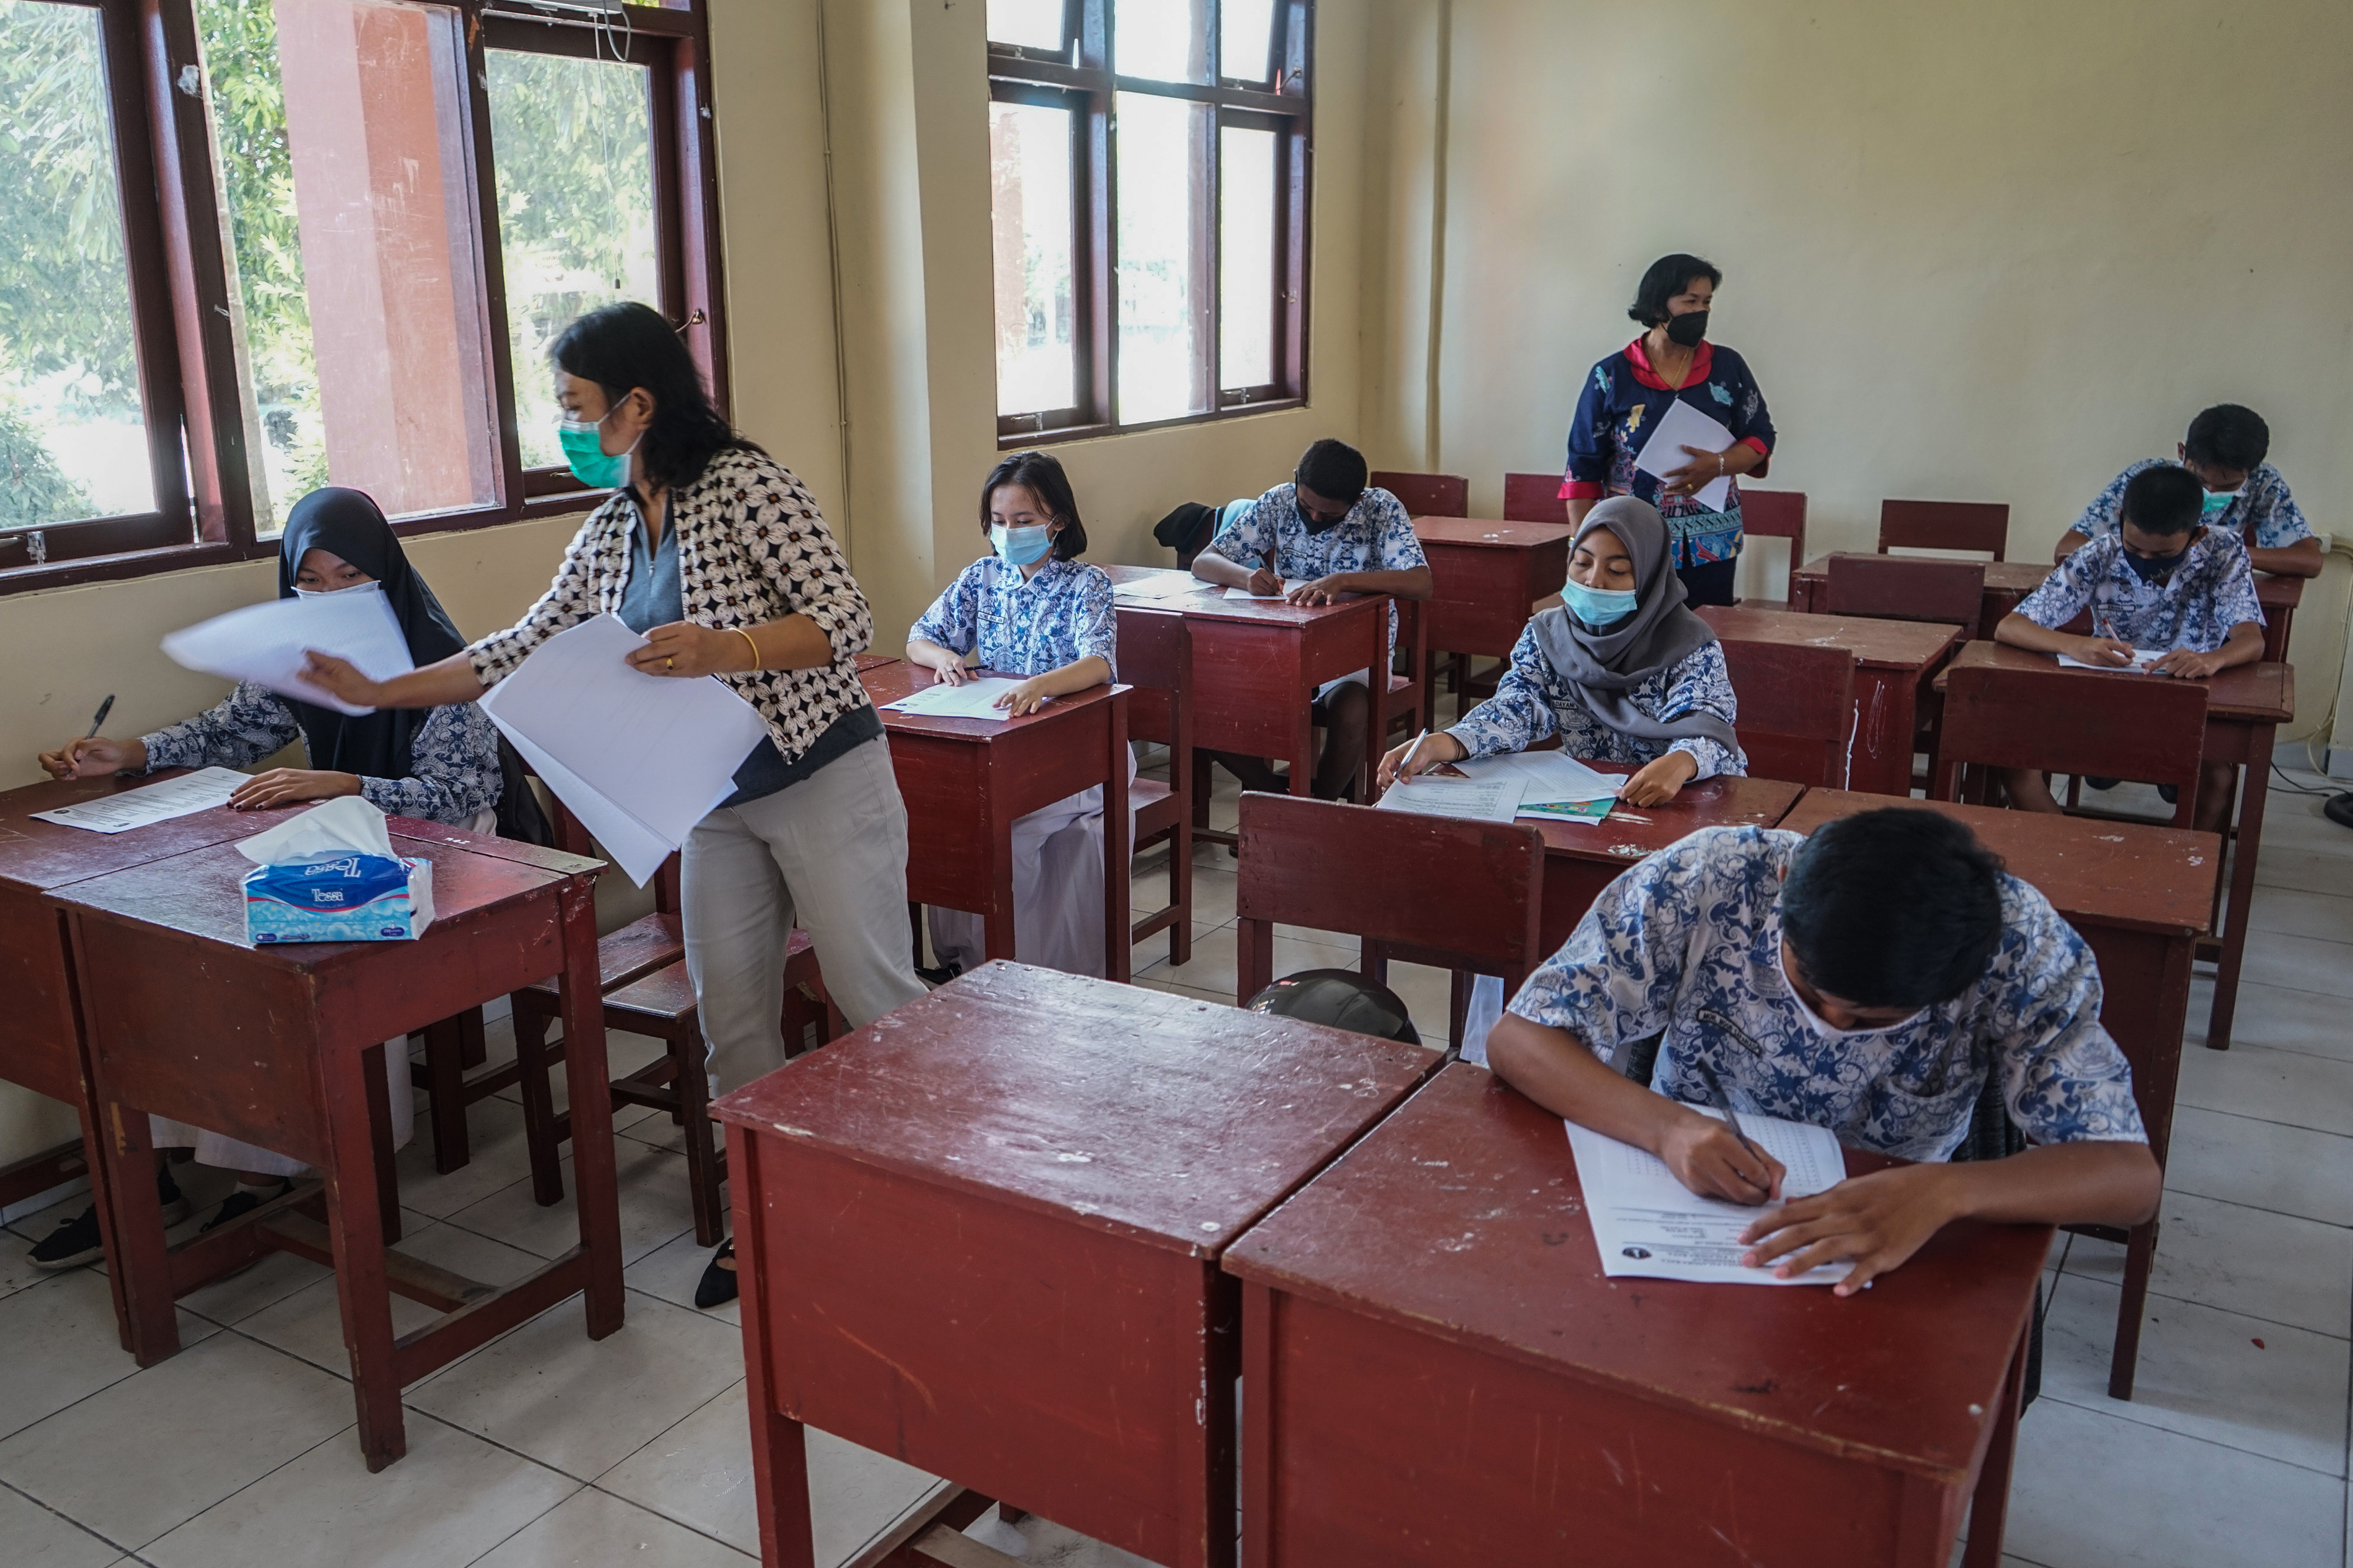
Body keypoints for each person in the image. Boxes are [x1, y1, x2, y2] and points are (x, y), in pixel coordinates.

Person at [298, 301, 926, 1308]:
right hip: (712, 800)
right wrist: (381, 689)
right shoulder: (605, 532)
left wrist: (734, 648)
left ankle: (935, 1203)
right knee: (733, 1015)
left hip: (819, 773)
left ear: (638, 403)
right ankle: (767, 1216)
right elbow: (517, 645)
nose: (566, 429)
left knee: (870, 992)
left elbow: (846, 614)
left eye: (576, 407)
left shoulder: (745, 484)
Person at [27, 488, 496, 1264]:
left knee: (294, 955)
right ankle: (164, 1164)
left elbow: (459, 798)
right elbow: (233, 729)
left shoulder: (440, 660)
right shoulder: (302, 661)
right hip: (344, 834)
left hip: (453, 852)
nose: (330, 595)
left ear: (385, 569)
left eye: (351, 575)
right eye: (309, 580)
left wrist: (345, 783)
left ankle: (271, 1170)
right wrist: (132, 752)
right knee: (192, 939)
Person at [1485, 810, 2161, 1296]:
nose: (1832, 1021)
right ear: (1782, 884)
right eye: (1809, 988)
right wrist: (1667, 1127)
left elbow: (2129, 1179)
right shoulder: (1713, 878)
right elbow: (1519, 1037)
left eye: (1869, 1018)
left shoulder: (2021, 949)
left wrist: (1949, 1189)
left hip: (1888, 1215)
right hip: (1681, 1186)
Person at [1377, 495, 1746, 1060]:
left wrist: (1683, 760)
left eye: (1618, 569)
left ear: (1648, 574)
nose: (1595, 580)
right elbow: (1521, 705)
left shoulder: (1689, 643)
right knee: (1519, 900)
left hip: (1671, 825)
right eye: (1583, 562)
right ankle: (1516, 1049)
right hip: (1583, 813)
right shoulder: (1549, 633)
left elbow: (1712, 724)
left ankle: (1635, 1066)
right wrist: (1449, 742)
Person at [907, 451, 1122, 978]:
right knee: (950, 822)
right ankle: (959, 962)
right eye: (998, 522)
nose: (1009, 533)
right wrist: (946, 658)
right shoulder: (982, 576)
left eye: (1024, 521)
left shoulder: (1085, 584)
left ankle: (999, 968)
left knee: (1000, 835)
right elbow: (919, 638)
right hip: (999, 744)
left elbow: (1100, 662)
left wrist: (1040, 686)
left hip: (1074, 753)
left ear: (1059, 521)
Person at [1996, 464, 2263, 832]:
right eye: (2135, 548)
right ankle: (2073, 849)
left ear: (2197, 535)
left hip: (2191, 699)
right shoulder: (2099, 553)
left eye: (2164, 553)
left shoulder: (2225, 551)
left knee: (2217, 779)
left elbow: (2252, 639)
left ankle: (2175, 862)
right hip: (2106, 693)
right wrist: (2076, 645)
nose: (2146, 562)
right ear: (2121, 520)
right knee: (2013, 761)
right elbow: (2010, 626)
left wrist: (2212, 659)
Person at [1186, 438, 1433, 800]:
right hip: (1281, 648)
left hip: (1354, 654)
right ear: (1296, 480)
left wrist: (1346, 579)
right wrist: (1246, 577)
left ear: (1357, 500)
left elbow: (1421, 581)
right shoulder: (1280, 500)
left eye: (1330, 514)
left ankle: (1318, 809)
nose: (1315, 518)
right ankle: (1279, 801)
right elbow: (1203, 561)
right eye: (1307, 507)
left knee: (1351, 709)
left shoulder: (1380, 508)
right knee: (1206, 702)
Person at [1560, 254, 1777, 607]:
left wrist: (1719, 464)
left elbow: (1760, 436)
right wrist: (1582, 547)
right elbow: (1582, 464)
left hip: (1711, 541)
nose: (1701, 311)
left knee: (1705, 638)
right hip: (1628, 542)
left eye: (1707, 302)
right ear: (1658, 305)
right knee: (1634, 644)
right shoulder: (1610, 375)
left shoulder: (1727, 367)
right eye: (1690, 301)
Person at [2056, 404, 2322, 580]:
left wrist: (2222, 553)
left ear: (2251, 472)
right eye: (2199, 479)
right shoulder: (2150, 479)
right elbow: (2068, 549)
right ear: (2182, 453)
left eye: (2228, 487)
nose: (2210, 491)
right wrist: (2144, 556)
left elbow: (2308, 560)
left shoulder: (2262, 483)